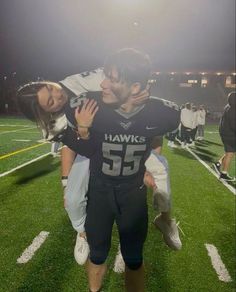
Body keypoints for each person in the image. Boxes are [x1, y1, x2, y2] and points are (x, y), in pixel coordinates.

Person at [64, 48, 180, 292]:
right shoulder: (92, 107)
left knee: (134, 258)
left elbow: (160, 130)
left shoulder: (160, 113)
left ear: (136, 87)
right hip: (99, 193)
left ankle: (165, 218)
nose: (104, 83)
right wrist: (84, 128)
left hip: (133, 194)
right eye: (105, 76)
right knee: (96, 255)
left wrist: (152, 163)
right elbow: (62, 95)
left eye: (113, 79)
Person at [212, 91, 236, 181]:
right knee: (230, 153)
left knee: (230, 152)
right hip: (230, 135)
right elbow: (234, 125)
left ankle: (218, 163)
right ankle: (224, 174)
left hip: (225, 133)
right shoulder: (233, 109)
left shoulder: (228, 106)